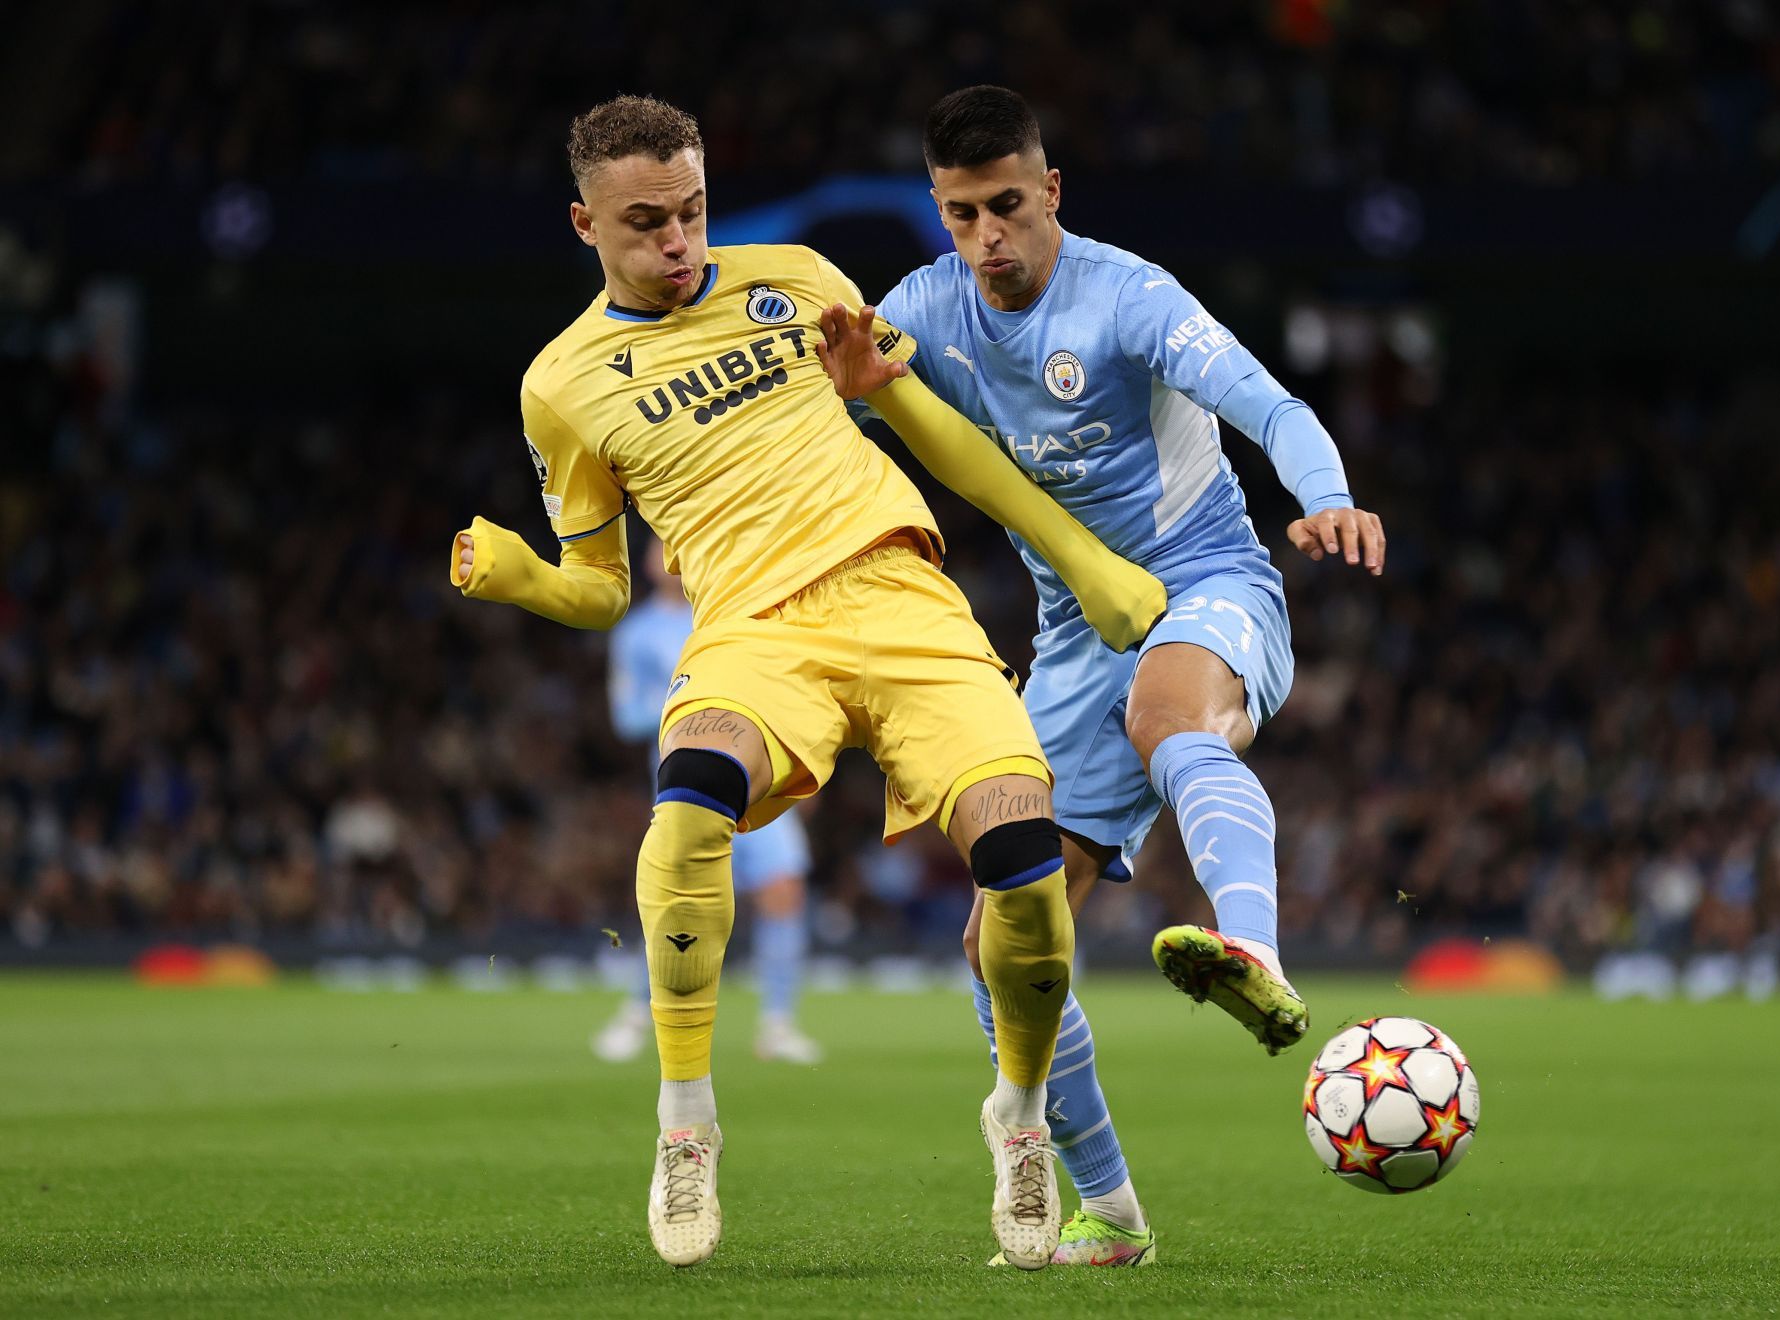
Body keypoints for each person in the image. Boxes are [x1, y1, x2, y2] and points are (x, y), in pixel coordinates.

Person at [447, 94, 1167, 1271]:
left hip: (902, 601)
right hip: (750, 631)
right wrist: (524, 573)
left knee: (1028, 879)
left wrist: (1086, 563)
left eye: (691, 212)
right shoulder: (562, 384)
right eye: (645, 223)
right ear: (585, 224)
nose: (678, 241)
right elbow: (600, 587)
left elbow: (931, 426)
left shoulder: (791, 275)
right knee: (685, 815)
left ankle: (1021, 1122)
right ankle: (687, 1124)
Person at [820, 85, 1385, 1267]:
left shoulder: (1128, 298)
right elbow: (864, 404)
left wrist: (1324, 495)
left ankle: (1258, 956)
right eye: (964, 214)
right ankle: (1110, 1212)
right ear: (939, 209)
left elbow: (1269, 406)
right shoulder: (924, 308)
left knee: (1167, 713)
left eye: (1010, 207)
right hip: (1073, 633)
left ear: (1052, 192)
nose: (990, 238)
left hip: (1205, 577)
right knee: (1000, 944)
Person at [593, 538, 822, 1067]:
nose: (673, 556)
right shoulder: (637, 634)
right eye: (662, 548)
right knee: (677, 901)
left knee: (784, 890)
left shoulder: (736, 616)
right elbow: (626, 717)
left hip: (760, 782)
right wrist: (696, 701)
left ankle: (778, 1023)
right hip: (689, 784)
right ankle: (636, 1012)